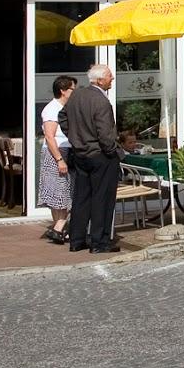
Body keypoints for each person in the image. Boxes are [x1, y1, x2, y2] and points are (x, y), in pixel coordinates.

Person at [60, 64, 121, 253]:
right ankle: (99, 242)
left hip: (81, 154)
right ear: (100, 80)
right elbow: (105, 133)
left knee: (81, 197)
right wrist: (111, 150)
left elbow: (63, 117)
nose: (112, 79)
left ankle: (77, 240)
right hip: (99, 154)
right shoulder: (101, 102)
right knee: (102, 198)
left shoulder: (77, 95)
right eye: (110, 76)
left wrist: (75, 138)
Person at [39, 75, 76, 244]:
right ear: (63, 90)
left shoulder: (66, 107)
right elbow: (50, 136)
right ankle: (58, 228)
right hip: (57, 152)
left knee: (61, 194)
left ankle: (58, 230)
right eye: (72, 89)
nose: (74, 92)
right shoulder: (52, 108)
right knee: (61, 193)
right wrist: (60, 159)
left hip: (65, 150)